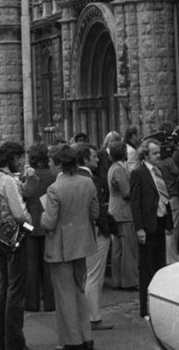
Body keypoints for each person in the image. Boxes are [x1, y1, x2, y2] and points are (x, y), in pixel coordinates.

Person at [42, 143, 98, 350]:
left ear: (58, 165)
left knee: (65, 296)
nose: (49, 165)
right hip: (82, 243)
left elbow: (49, 222)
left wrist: (40, 216)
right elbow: (94, 214)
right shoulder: (87, 183)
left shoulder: (55, 189)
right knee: (79, 291)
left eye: (50, 162)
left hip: (61, 246)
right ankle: (86, 337)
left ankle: (72, 341)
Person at [0, 139, 32, 350]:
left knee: (4, 288)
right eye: (20, 158)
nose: (22, 161)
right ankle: (15, 341)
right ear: (13, 158)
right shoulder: (7, 180)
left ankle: (3, 340)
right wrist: (29, 220)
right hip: (14, 234)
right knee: (16, 289)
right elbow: (18, 212)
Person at [130, 139, 172, 319]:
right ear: (145, 154)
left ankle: (157, 304)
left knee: (159, 265)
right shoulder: (138, 173)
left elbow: (165, 197)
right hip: (147, 224)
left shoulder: (159, 171)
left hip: (160, 221)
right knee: (147, 267)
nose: (158, 156)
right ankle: (145, 309)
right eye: (155, 153)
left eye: (159, 152)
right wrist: (139, 228)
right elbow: (135, 202)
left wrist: (169, 223)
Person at [75, 142, 113, 331]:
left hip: (81, 232)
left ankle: (87, 314)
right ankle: (93, 316)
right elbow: (97, 209)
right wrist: (105, 228)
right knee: (94, 275)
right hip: (95, 232)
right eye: (94, 156)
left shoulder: (72, 177)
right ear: (84, 159)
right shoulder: (90, 180)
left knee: (87, 275)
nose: (97, 159)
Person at [21, 142, 55, 313]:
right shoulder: (53, 175)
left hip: (30, 223)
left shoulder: (26, 176)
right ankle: (50, 302)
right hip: (48, 221)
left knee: (31, 265)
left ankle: (32, 303)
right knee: (48, 264)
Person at [107, 141, 139, 289]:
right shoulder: (119, 169)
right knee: (128, 249)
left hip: (115, 210)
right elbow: (126, 192)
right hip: (124, 212)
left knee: (117, 250)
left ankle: (117, 280)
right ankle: (129, 281)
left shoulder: (112, 168)